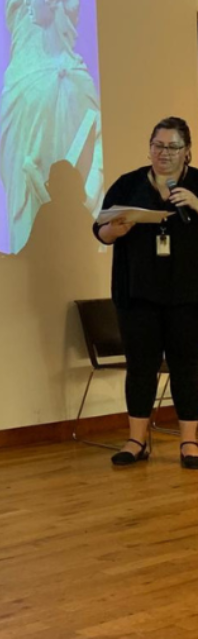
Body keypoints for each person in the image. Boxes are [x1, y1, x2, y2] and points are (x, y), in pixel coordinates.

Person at [93, 117, 198, 468]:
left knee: (187, 367)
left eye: (172, 147)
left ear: (187, 152)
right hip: (137, 294)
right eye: (158, 145)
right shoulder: (128, 185)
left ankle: (189, 443)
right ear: (149, 147)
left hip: (188, 295)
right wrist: (114, 229)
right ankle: (136, 440)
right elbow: (101, 232)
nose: (163, 153)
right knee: (140, 367)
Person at [0, 0, 103, 253]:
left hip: (81, 238)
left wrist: (88, 199)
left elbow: (98, 148)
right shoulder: (24, 85)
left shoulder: (79, 84)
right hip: (28, 86)